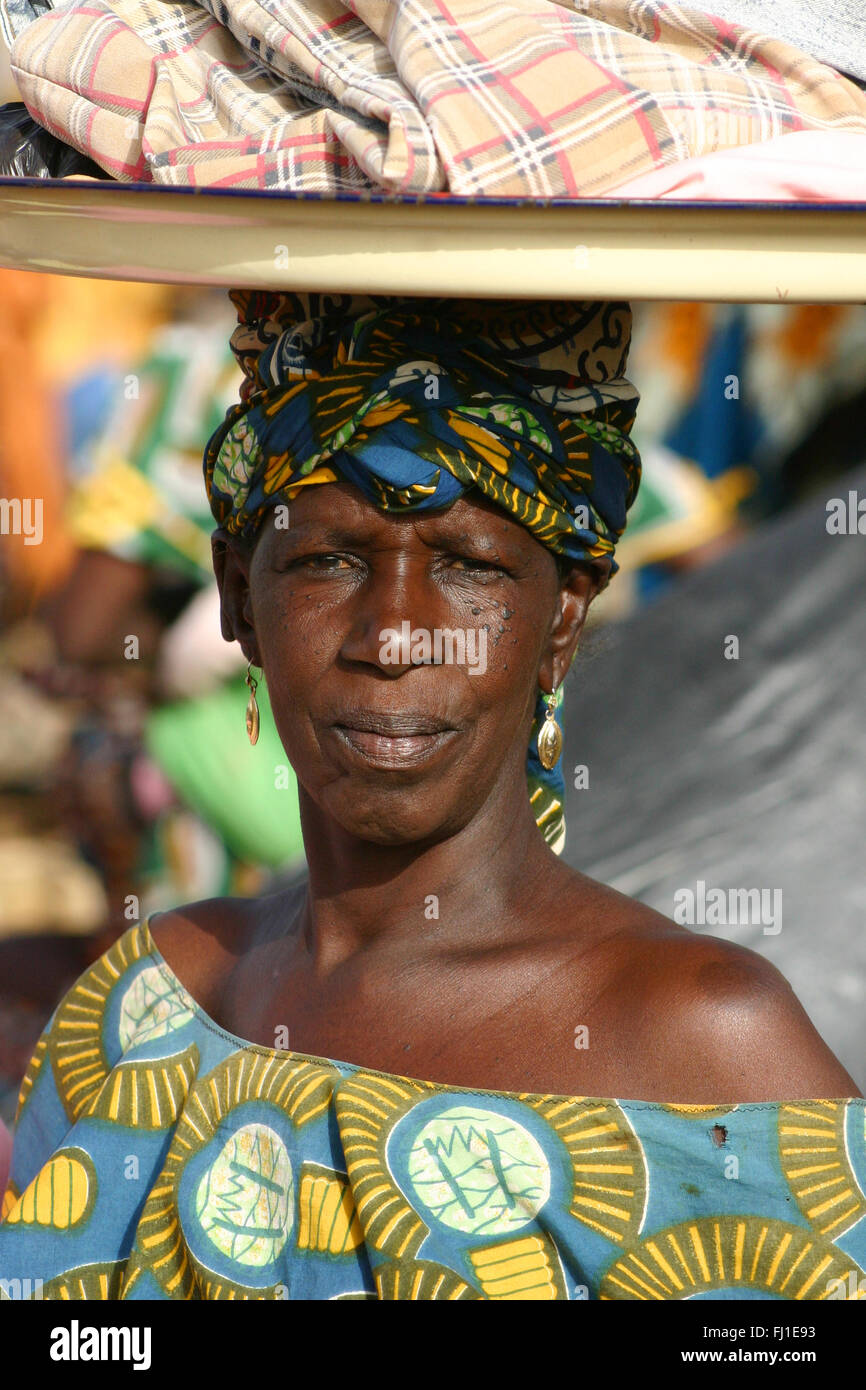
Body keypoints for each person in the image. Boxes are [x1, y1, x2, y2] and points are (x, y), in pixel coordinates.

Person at [0, 293, 862, 1302]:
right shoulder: (149, 1009)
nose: (397, 635)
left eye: (468, 568)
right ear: (238, 593)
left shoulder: (701, 1044)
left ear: (560, 622)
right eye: (327, 561)